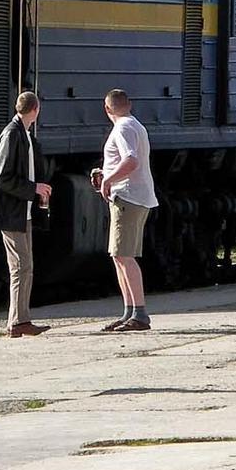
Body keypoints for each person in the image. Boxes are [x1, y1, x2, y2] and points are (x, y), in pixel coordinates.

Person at [0, 91, 52, 337]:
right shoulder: (12, 134)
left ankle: (17, 320)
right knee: (21, 266)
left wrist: (37, 190)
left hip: (23, 211)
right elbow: (1, 176)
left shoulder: (25, 134)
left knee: (24, 266)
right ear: (36, 109)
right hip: (12, 211)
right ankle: (19, 322)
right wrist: (34, 189)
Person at [95, 89, 158, 332]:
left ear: (107, 109)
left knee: (124, 255)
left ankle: (139, 313)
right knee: (119, 255)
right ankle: (129, 311)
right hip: (132, 196)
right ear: (129, 104)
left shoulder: (122, 128)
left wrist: (108, 179)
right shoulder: (136, 125)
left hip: (127, 197)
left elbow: (131, 160)